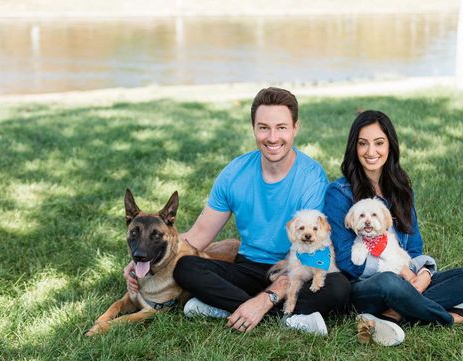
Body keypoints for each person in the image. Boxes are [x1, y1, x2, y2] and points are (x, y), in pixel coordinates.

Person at [125, 87, 350, 336]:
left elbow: (309, 250)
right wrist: (140, 259)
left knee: (339, 287)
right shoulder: (235, 172)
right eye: (264, 127)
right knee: (187, 268)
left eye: (282, 127)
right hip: (247, 268)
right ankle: (283, 317)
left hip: (295, 267)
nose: (273, 137)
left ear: (295, 128)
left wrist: (265, 299)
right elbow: (198, 234)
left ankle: (232, 307)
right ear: (254, 128)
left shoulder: (311, 177)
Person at [323, 110, 463, 346]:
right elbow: (347, 260)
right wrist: (400, 274)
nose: (371, 151)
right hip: (367, 286)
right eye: (363, 144)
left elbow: (415, 247)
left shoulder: (401, 189)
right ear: (354, 148)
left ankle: (395, 314)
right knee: (389, 282)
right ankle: (446, 316)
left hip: (407, 278)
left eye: (379, 143)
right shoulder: (339, 193)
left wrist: (424, 274)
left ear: (390, 146)